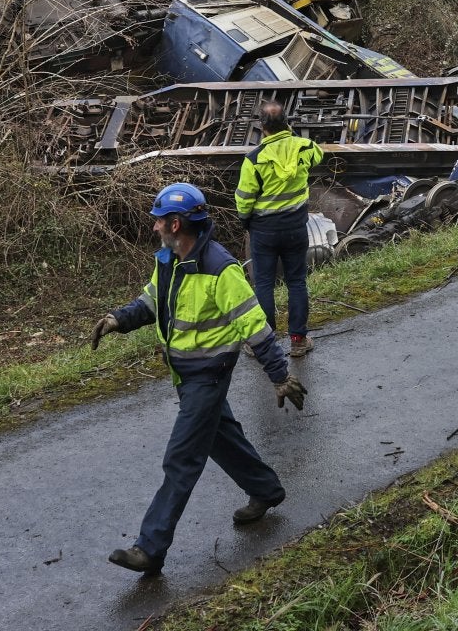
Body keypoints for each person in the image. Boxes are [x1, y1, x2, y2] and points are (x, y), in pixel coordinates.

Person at [92, 183, 306, 575]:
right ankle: (265, 490)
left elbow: (254, 326)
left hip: (208, 375)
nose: (154, 228)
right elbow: (152, 302)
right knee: (220, 437)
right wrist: (118, 319)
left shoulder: (220, 269)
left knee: (181, 458)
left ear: (176, 223)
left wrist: (280, 375)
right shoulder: (170, 260)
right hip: (184, 374)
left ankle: (150, 547)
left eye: (159, 221)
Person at [234, 102, 325, 358]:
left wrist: (245, 221)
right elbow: (319, 155)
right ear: (287, 122)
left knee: (263, 283)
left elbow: (244, 199)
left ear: (262, 128)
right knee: (296, 281)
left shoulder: (253, 160)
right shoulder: (303, 147)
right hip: (296, 226)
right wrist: (292, 135)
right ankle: (298, 340)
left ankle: (263, 342)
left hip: (264, 230)